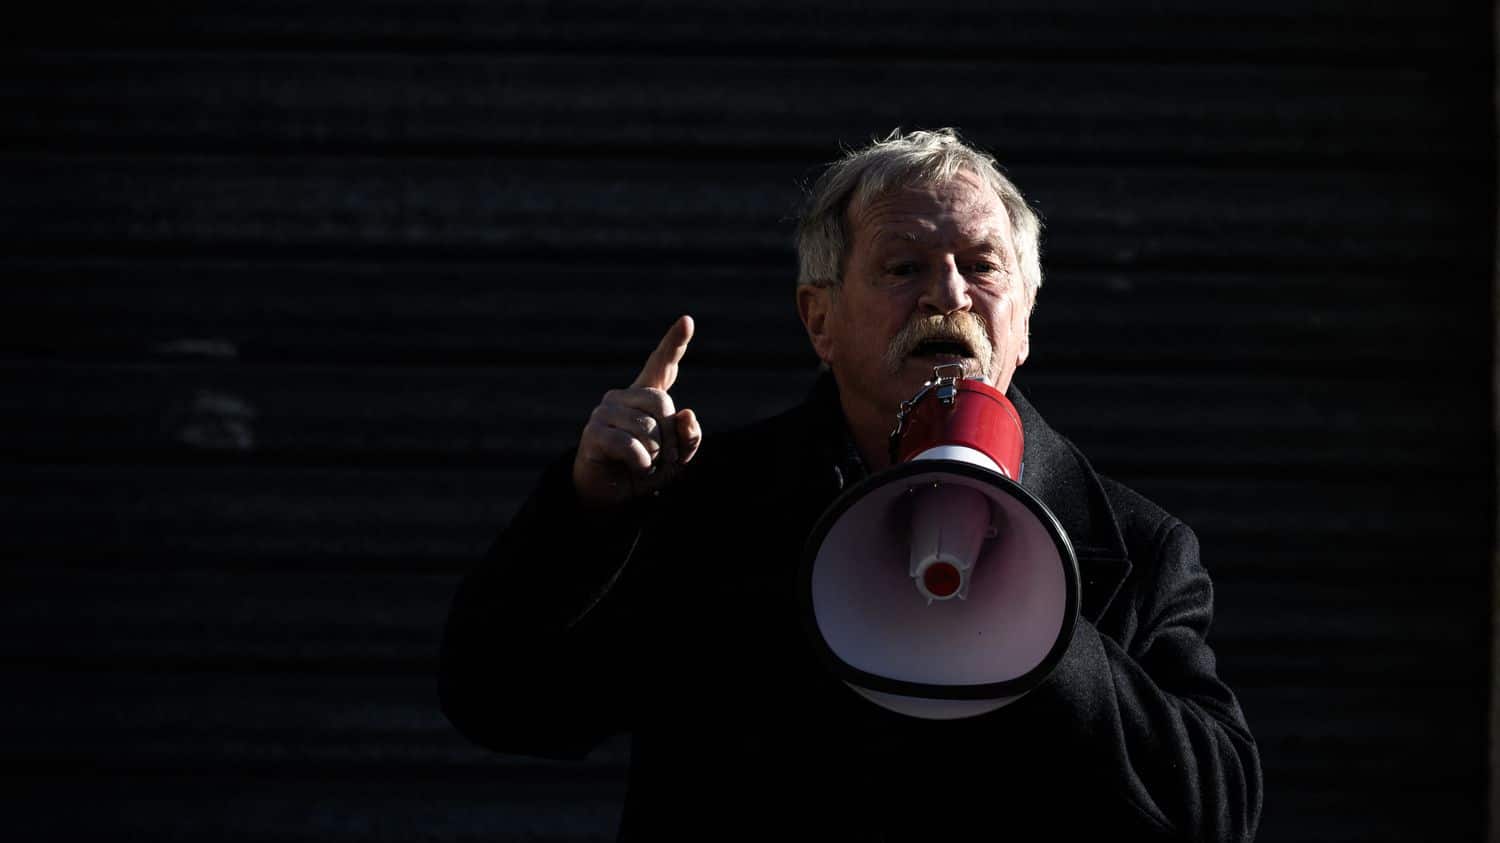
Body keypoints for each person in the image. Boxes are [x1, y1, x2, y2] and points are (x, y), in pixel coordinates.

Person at [440, 128, 1263, 841]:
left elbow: (1217, 813)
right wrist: (590, 514)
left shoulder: (1139, 547)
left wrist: (1040, 623)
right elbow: (502, 701)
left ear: (1026, 315)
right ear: (819, 320)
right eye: (904, 267)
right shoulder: (711, 507)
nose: (948, 296)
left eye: (980, 266)